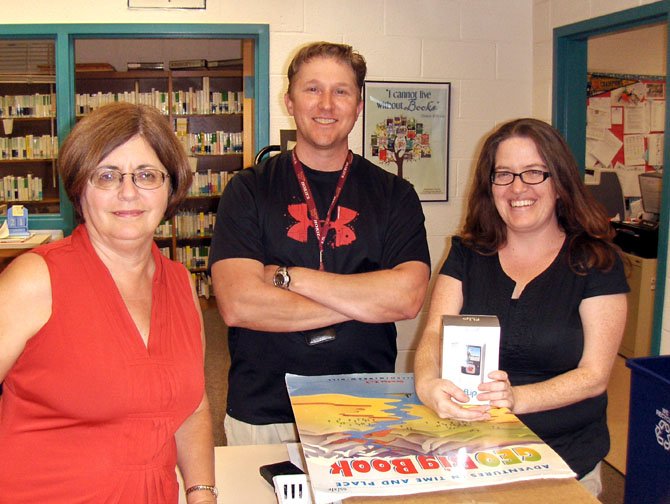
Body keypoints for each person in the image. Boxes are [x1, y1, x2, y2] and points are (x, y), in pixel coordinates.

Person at [209, 41, 431, 445]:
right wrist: (363, 300)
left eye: (341, 91)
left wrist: (287, 277)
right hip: (266, 410)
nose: (326, 104)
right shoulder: (248, 189)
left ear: (359, 104)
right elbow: (239, 304)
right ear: (289, 101)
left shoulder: (395, 194)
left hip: (367, 407)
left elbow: (406, 298)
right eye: (312, 89)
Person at [0, 102, 217, 503]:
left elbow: (193, 405)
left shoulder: (182, 285)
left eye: (147, 175)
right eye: (107, 175)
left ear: (171, 187)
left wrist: (202, 493)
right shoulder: (36, 280)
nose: (128, 192)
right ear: (80, 188)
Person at [414, 118, 628, 496]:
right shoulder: (467, 253)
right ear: (490, 185)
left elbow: (594, 374)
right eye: (504, 175)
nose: (517, 188)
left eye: (533, 173)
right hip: (471, 453)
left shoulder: (596, 260)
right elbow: (434, 333)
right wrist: (427, 383)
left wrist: (517, 399)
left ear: (559, 182)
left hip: (563, 461)